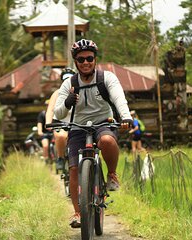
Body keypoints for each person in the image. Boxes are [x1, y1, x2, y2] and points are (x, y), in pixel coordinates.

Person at [53, 39, 133, 228]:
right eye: (81, 60)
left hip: (104, 123)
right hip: (77, 127)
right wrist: (67, 102)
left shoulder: (107, 78)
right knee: (73, 169)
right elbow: (58, 113)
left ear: (95, 59)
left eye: (89, 58)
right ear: (76, 62)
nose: (86, 62)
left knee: (106, 140)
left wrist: (126, 117)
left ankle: (112, 174)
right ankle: (78, 213)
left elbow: (119, 99)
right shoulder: (69, 84)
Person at [45, 67, 76, 171]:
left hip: (77, 122)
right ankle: (60, 158)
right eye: (65, 79)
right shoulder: (57, 93)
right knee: (61, 136)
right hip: (61, 122)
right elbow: (50, 110)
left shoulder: (80, 90)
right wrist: (48, 122)